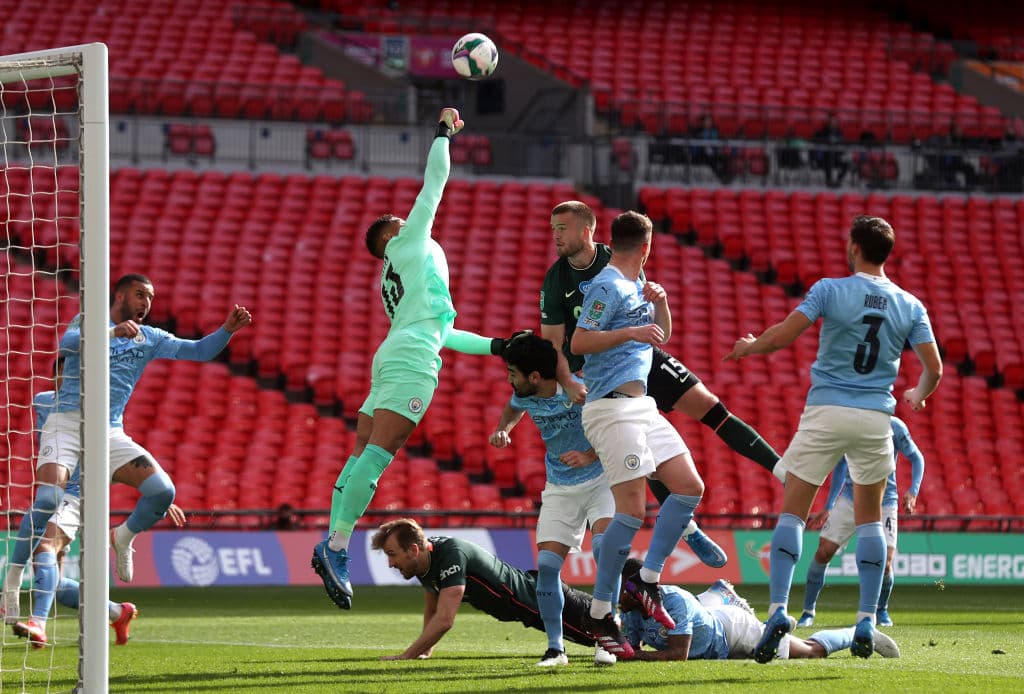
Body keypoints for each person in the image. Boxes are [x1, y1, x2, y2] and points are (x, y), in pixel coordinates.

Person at [311, 108, 519, 611]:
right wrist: (444, 134)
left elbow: (443, 332)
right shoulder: (408, 242)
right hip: (410, 360)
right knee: (379, 455)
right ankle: (336, 546)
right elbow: (434, 185)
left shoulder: (397, 277)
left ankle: (332, 540)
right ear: (389, 236)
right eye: (398, 223)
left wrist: (498, 346)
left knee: (361, 452)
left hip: (395, 352)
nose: (407, 220)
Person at [723, 215, 941, 662]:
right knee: (870, 521)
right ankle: (866, 619)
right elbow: (934, 368)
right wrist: (917, 394)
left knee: (794, 512)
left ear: (855, 247)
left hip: (825, 410)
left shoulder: (829, 289)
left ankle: (779, 610)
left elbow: (783, 336)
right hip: (876, 418)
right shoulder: (910, 304)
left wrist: (749, 347)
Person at [2, 274, 253, 620]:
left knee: (163, 491)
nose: (146, 304)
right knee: (47, 502)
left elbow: (199, 350)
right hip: (70, 424)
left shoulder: (150, 337)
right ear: (119, 296)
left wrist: (227, 330)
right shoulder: (89, 321)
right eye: (139, 295)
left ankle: (122, 537)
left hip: (108, 432)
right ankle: (17, 584)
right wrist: (112, 334)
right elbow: (68, 344)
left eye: (150, 298)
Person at [541, 200, 780, 499]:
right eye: (553, 229)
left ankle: (783, 472)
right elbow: (553, 344)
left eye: (562, 228)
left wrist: (659, 303)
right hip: (598, 371)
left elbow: (647, 321)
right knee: (644, 451)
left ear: (586, 231)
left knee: (709, 405)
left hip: (639, 355)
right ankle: (682, 523)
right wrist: (568, 382)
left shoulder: (617, 258)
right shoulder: (555, 280)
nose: (555, 235)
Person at [570, 210, 720, 658]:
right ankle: (601, 611)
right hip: (611, 407)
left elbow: (660, 336)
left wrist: (661, 303)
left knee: (689, 486)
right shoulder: (606, 286)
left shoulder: (638, 284)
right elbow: (578, 342)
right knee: (632, 510)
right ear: (647, 246)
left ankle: (648, 578)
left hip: (641, 406)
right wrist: (630, 331)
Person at [489, 332, 617, 666]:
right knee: (546, 567)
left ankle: (608, 639)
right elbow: (513, 408)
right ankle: (556, 649)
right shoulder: (524, 395)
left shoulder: (579, 392)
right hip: (560, 486)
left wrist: (589, 455)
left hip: (602, 480)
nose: (509, 380)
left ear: (534, 376)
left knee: (605, 552)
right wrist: (504, 429)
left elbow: (614, 428)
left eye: (513, 373)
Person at [370, 518, 601, 662]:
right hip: (530, 611)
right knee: (605, 638)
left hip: (538, 599)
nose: (390, 564)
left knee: (607, 636)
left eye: (392, 554)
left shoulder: (450, 554)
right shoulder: (424, 564)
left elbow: (444, 619)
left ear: (413, 550)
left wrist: (407, 655)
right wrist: (426, 649)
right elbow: (432, 609)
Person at [14, 467, 187, 648]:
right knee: (54, 583)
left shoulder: (85, 451)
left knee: (44, 546)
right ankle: (117, 612)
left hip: (71, 500)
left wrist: (159, 493)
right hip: (66, 502)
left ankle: (38, 623)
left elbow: (124, 462)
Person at [617, 558, 900, 661]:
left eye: (619, 588)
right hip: (712, 624)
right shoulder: (631, 610)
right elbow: (629, 646)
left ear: (637, 590)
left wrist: (632, 656)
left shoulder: (673, 602)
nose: (614, 594)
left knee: (810, 651)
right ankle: (721, 596)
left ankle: (858, 632)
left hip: (734, 632)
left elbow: (679, 655)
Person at [797, 416, 925, 628]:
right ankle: (808, 611)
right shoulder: (848, 425)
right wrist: (829, 505)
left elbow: (917, 457)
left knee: (886, 562)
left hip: (885, 502)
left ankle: (881, 610)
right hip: (851, 499)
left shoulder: (894, 426)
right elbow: (840, 465)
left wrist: (913, 491)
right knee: (823, 551)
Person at [812, 113, 849, 187]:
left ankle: (839, 180)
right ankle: (828, 180)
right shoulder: (822, 132)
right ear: (828, 123)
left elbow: (842, 145)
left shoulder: (839, 133)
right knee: (829, 156)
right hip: (824, 158)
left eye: (835, 122)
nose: (833, 124)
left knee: (846, 162)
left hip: (837, 157)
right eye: (832, 122)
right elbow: (818, 143)